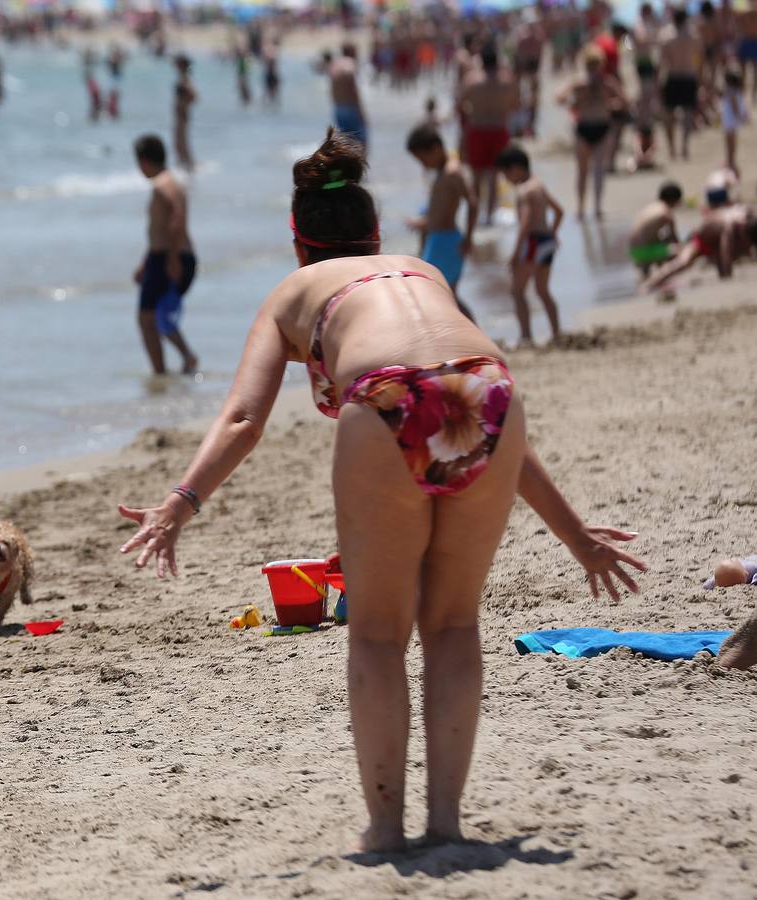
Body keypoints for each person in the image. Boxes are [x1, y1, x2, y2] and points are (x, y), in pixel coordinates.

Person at [116, 132, 643, 853]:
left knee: (377, 634)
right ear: (376, 235)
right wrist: (576, 535)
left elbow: (243, 419)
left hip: (386, 397)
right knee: (453, 625)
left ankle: (389, 828)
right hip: (490, 389)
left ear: (299, 244)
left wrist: (181, 502)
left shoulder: (293, 291)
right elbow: (465, 401)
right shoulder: (422, 270)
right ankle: (447, 826)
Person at [132, 135, 199, 376]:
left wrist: (171, 258)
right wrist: (144, 263)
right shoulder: (173, 182)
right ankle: (186, 357)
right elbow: (160, 230)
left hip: (168, 258)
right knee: (156, 315)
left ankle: (161, 372)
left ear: (144, 161)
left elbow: (176, 219)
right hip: (166, 256)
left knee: (146, 318)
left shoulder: (161, 185)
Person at [405, 125, 477, 316]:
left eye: (423, 159)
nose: (423, 165)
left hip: (446, 241)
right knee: (444, 294)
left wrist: (469, 238)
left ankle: (473, 334)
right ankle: (471, 334)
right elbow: (440, 211)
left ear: (435, 148)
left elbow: (473, 202)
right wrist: (422, 222)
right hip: (438, 239)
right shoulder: (442, 172)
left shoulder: (452, 171)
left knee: (434, 292)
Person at [498, 145, 564, 345]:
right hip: (546, 241)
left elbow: (525, 223)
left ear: (516, 168)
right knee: (543, 291)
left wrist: (516, 252)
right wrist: (552, 233)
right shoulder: (539, 185)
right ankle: (556, 333)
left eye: (505, 173)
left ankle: (526, 336)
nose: (506, 179)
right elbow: (559, 211)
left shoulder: (524, 190)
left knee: (517, 291)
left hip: (533, 241)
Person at [557, 48, 626, 219]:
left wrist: (607, 104)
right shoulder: (593, 83)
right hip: (595, 126)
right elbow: (624, 101)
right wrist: (576, 101)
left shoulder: (593, 83)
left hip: (590, 127)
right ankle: (592, 207)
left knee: (586, 171)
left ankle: (585, 208)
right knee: (595, 171)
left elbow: (559, 97)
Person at [458, 47, 519, 223]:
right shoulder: (507, 80)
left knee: (476, 175)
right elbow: (516, 105)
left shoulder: (471, 80)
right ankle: (490, 216)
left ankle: (475, 216)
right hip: (499, 128)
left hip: (477, 127)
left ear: (481, 60)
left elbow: (461, 105)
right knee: (494, 175)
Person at [662, 7, 701, 161]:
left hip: (673, 76)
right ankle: (684, 147)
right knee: (687, 115)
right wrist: (700, 76)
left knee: (670, 115)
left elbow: (663, 60)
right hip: (689, 76)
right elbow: (700, 57)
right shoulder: (693, 35)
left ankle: (672, 149)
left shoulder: (667, 35)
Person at [628, 181, 683, 276]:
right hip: (642, 252)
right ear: (674, 200)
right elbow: (674, 239)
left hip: (633, 252)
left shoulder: (652, 207)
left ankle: (647, 272)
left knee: (660, 241)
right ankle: (664, 275)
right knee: (676, 250)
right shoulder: (666, 213)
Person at [329, 43, 367, 150]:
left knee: (344, 144)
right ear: (351, 52)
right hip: (350, 108)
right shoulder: (350, 64)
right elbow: (353, 90)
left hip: (338, 108)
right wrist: (361, 111)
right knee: (360, 143)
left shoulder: (334, 64)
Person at [722, 69, 750, 177]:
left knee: (730, 143)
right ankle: (730, 162)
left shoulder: (730, 91)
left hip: (729, 121)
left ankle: (730, 161)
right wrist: (741, 117)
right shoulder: (733, 92)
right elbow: (735, 107)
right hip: (731, 121)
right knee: (731, 144)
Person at [172, 54, 197, 171]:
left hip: (182, 113)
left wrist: (184, 105)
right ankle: (185, 166)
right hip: (180, 113)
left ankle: (188, 166)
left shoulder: (185, 78)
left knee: (181, 142)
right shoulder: (183, 76)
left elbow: (194, 96)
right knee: (179, 142)